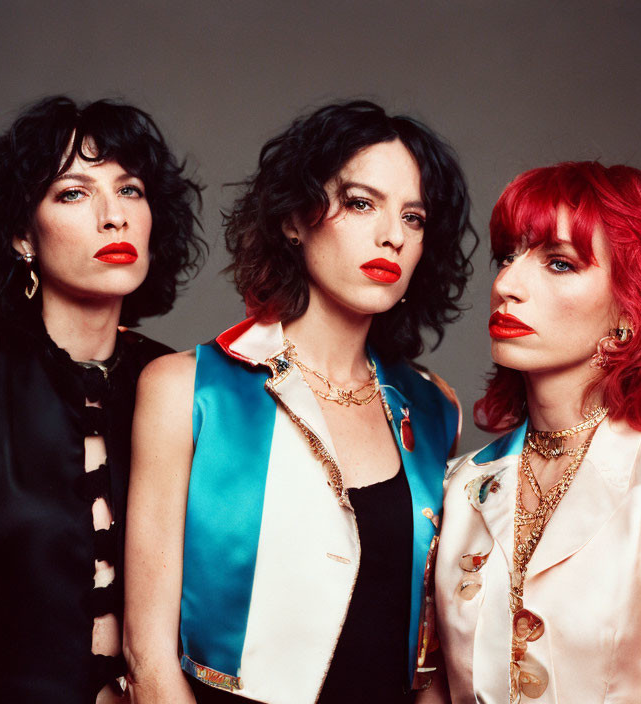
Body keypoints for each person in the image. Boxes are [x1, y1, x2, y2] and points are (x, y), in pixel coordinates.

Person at [123, 101, 477, 703]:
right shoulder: (187, 387)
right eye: (361, 203)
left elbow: (429, 658)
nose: (391, 235)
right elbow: (147, 653)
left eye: (413, 218)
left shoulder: (434, 406)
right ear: (294, 218)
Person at [0, 96, 203, 703]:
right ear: (21, 236)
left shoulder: (188, 386)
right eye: (73, 193)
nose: (113, 217)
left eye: (131, 190)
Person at [434, 161, 641, 703]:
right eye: (507, 256)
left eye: (558, 263)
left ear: (631, 308)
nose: (506, 284)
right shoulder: (460, 484)